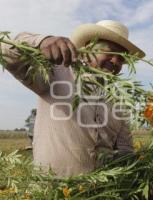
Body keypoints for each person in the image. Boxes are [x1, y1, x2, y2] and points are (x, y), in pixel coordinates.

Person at [1, 20, 145, 177]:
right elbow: (5, 51)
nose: (116, 61)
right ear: (89, 47)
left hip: (102, 190)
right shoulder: (55, 71)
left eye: (122, 59)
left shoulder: (119, 98)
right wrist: (41, 41)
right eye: (111, 52)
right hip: (52, 188)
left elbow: (125, 148)